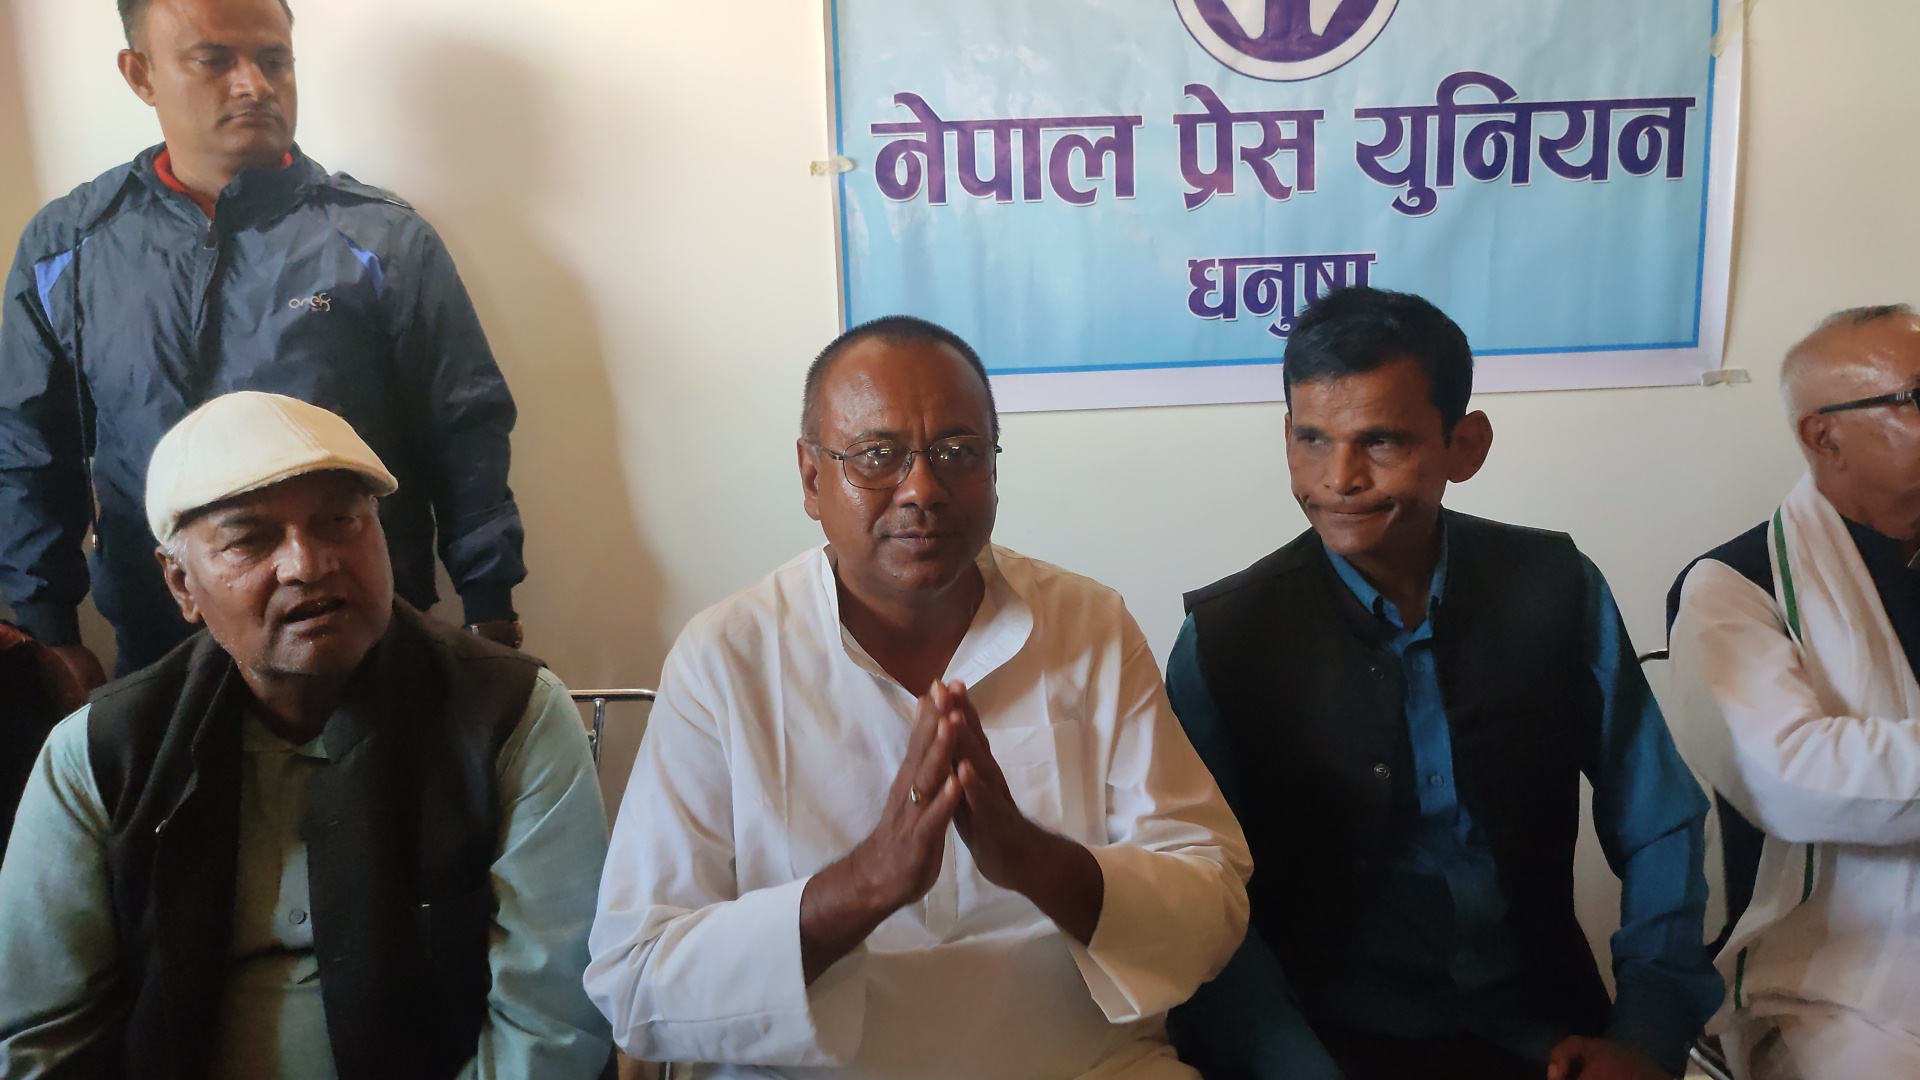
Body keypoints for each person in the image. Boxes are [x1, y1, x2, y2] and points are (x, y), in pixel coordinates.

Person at [585, 316, 1252, 1079]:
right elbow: (635, 980)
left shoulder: (1089, 625)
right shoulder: (724, 659)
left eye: (958, 452)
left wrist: (1034, 860)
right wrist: (861, 888)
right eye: (878, 455)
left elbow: (1214, 904)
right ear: (811, 477)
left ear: (994, 469)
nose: (923, 490)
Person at [1166, 288, 1721, 1080]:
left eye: (1381, 441)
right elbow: (1201, 890)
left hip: (1547, 1030)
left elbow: (1658, 817)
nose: (1339, 478)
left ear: (1465, 445)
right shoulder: (1225, 639)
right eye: (1312, 439)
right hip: (1322, 1038)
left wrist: (1646, 1031)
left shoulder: (1556, 588)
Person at [0, 391, 610, 1079]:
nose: (306, 564)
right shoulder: (98, 753)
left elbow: (551, 1029)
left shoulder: (512, 715)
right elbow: (40, 1039)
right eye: (249, 539)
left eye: (340, 520)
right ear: (181, 584)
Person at [0, 0, 529, 696]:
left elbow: (464, 431)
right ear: (141, 74)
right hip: (162, 649)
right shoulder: (69, 247)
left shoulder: (381, 239)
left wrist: (491, 610)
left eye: (274, 60)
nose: (254, 84)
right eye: (214, 60)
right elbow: (29, 451)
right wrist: (49, 629)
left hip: (361, 643)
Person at [1667, 305, 1920, 1080]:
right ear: (1824, 436)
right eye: (1918, 396)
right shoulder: (1732, 586)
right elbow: (1792, 778)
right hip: (1842, 982)